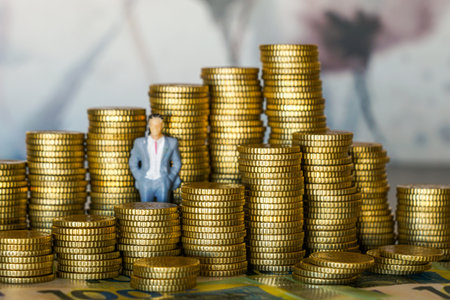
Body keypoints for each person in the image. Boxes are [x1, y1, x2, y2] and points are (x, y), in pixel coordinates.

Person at [129, 114, 181, 203]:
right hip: (145, 180)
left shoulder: (172, 143)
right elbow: (133, 162)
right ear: (149, 126)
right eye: (152, 125)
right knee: (145, 210)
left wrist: (170, 178)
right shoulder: (140, 143)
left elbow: (177, 162)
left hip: (163, 180)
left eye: (157, 125)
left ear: (162, 126)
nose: (154, 128)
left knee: (164, 209)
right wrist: (140, 177)